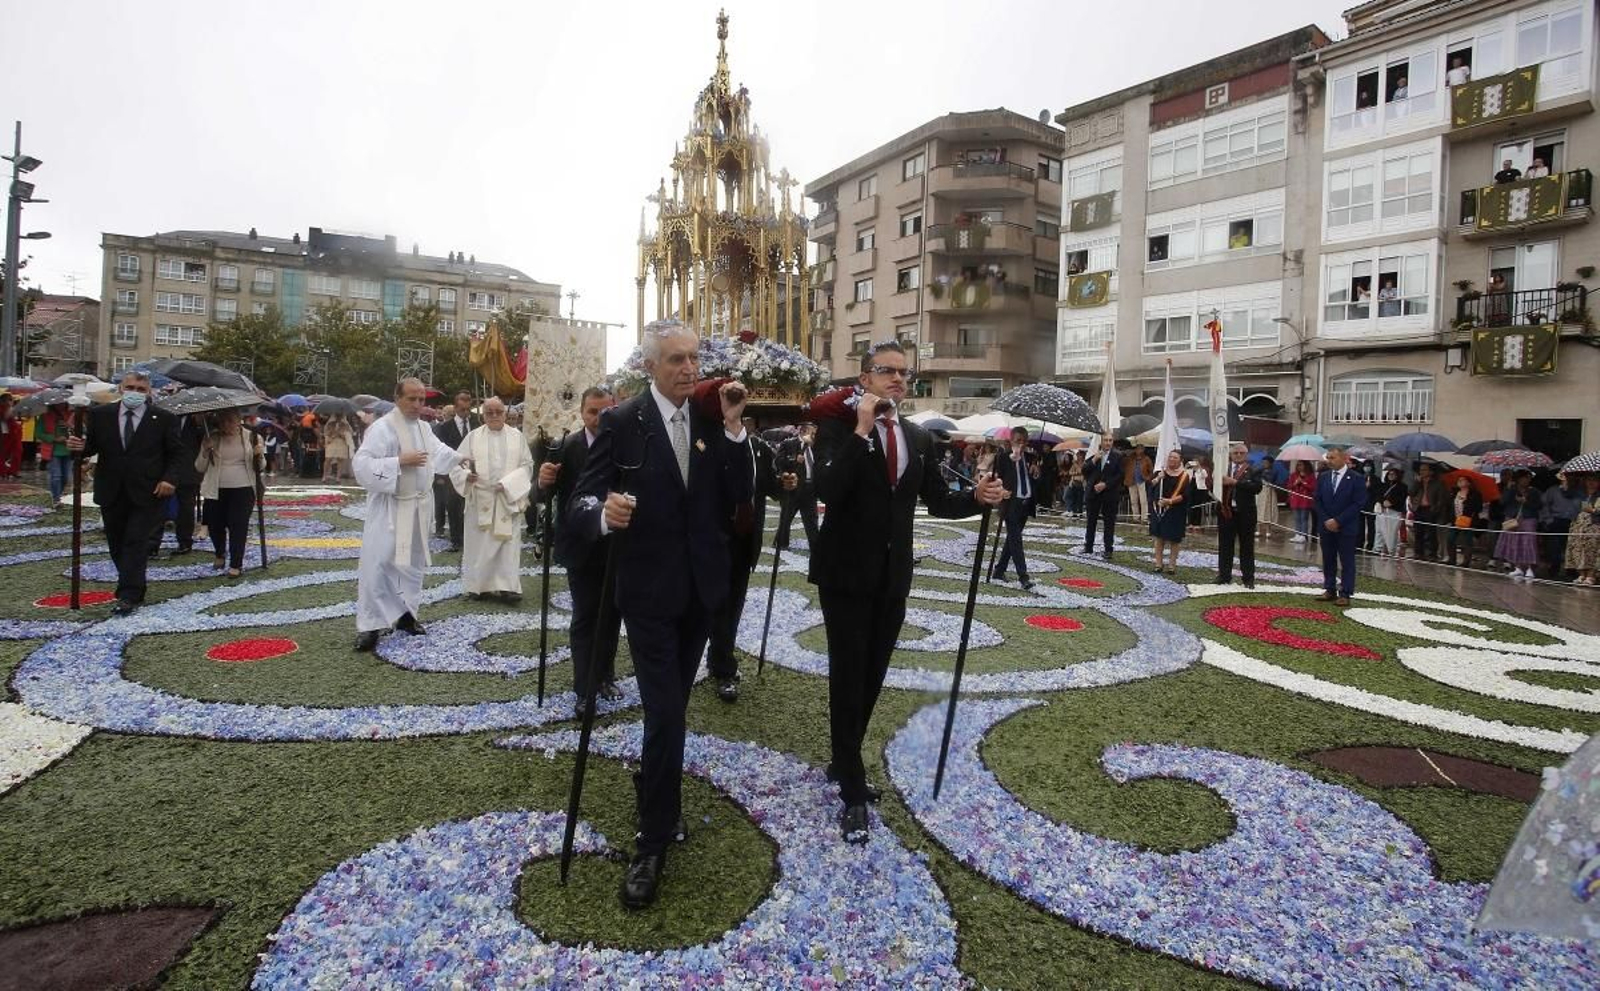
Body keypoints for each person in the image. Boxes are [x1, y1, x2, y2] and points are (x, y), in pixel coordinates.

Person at [567, 319, 753, 910]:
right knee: (666, 712)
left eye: (693, 358)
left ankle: (652, 782)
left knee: (671, 709)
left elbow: (740, 495)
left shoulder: (710, 419)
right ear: (650, 366)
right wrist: (603, 514)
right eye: (676, 359)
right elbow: (581, 499)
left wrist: (733, 429)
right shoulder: (623, 422)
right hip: (647, 595)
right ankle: (652, 840)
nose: (689, 369)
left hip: (700, 594)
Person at [810, 340, 1005, 849]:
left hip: (893, 576)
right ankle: (852, 784)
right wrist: (860, 430)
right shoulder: (837, 428)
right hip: (844, 574)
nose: (898, 379)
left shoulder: (917, 438)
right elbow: (827, 489)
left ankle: (843, 757)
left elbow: (937, 501)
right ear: (865, 378)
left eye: (904, 373)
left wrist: (976, 498)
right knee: (848, 675)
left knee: (872, 675)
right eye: (887, 371)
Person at [351, 378, 469, 652]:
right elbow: (362, 464)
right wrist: (399, 461)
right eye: (411, 399)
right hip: (391, 508)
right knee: (379, 564)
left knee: (411, 565)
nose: (417, 404)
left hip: (417, 508)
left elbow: (437, 451)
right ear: (397, 398)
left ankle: (406, 614)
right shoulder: (382, 428)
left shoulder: (424, 427)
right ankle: (370, 625)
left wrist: (458, 457)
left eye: (421, 400)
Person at [63, 371, 182, 616]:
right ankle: (132, 583)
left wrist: (169, 479)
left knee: (135, 541)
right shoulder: (101, 415)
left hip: (148, 491)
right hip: (111, 489)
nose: (134, 393)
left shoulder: (164, 418)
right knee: (117, 542)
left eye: (140, 389)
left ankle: (129, 594)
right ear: (121, 388)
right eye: (130, 387)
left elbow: (176, 454)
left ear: (148, 392)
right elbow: (91, 447)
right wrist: (78, 447)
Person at [539, 386, 623, 716]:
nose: (599, 418)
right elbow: (541, 496)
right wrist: (543, 482)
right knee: (586, 617)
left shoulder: (625, 445)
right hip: (580, 547)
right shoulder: (564, 447)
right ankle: (584, 689)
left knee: (612, 615)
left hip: (615, 545)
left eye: (606, 411)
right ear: (581, 412)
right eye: (592, 412)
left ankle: (605, 676)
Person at [708, 415, 792, 702]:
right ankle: (720, 663)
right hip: (713, 539)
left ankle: (720, 662)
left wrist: (787, 482)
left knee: (732, 606)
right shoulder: (709, 443)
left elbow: (772, 487)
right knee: (715, 606)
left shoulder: (758, 448)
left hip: (746, 539)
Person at [449, 397, 535, 602]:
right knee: (480, 546)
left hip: (507, 498)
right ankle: (479, 587)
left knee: (507, 545)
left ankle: (508, 587)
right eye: (489, 412)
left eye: (498, 412)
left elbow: (527, 466)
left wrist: (508, 484)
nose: (494, 416)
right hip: (480, 499)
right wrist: (466, 476)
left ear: (505, 413)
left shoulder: (517, 437)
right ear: (483, 415)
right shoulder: (472, 437)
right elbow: (458, 464)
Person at [195, 409, 264, 577]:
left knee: (238, 525)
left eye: (230, 420)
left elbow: (260, 467)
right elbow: (199, 467)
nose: (226, 425)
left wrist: (259, 454)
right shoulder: (212, 437)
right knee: (215, 525)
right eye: (223, 421)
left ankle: (236, 564)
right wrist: (205, 451)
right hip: (216, 488)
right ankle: (219, 553)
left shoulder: (252, 437)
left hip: (244, 487)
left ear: (239, 420)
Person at [1315, 446, 1367, 606]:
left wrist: (1338, 520)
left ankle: (1345, 592)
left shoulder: (1356, 478)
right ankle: (1329, 588)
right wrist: (1326, 520)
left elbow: (1359, 503)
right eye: (1328, 458)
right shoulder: (1323, 477)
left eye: (1333, 458)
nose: (1329, 461)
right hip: (1326, 526)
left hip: (1346, 527)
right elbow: (1317, 500)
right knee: (1328, 558)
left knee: (1347, 561)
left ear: (1344, 458)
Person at [991, 426, 1037, 588]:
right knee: (1016, 539)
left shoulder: (1030, 458)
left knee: (1012, 539)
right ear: (1011, 441)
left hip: (1025, 503)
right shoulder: (1003, 458)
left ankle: (999, 570)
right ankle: (1023, 577)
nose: (1021, 444)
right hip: (1010, 503)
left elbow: (1034, 480)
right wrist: (1001, 490)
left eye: (1024, 441)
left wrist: (1036, 473)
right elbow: (995, 479)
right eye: (1018, 441)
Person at [1215, 443, 1261, 587]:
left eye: (1242, 453)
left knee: (1247, 547)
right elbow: (1212, 486)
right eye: (1236, 453)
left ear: (1246, 454)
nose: (1239, 455)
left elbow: (1257, 487)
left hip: (1246, 513)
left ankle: (1248, 578)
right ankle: (1224, 576)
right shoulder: (1223, 469)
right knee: (1225, 546)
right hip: (1226, 512)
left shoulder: (1253, 469)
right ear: (1231, 455)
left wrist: (1235, 482)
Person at [434, 392, 474, 552]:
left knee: (471, 505)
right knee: (453, 506)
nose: (466, 412)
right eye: (462, 409)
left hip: (472, 471)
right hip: (451, 473)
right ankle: (456, 541)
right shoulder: (444, 428)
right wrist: (440, 476)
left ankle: (470, 538)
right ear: (456, 408)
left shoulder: (477, 424)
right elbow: (439, 452)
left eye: (468, 409)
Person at [774, 423, 820, 548]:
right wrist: (794, 460)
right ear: (803, 432)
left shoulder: (816, 446)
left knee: (812, 520)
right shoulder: (788, 443)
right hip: (792, 488)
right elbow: (778, 461)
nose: (814, 436)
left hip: (810, 489)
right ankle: (781, 543)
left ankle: (815, 546)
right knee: (786, 518)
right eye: (812, 433)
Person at [1080, 433, 1123, 560]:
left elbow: (1120, 475)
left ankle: (1108, 549)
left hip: (1110, 494)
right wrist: (1094, 460)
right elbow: (1084, 471)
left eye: (1110, 440)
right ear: (1101, 441)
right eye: (1106, 440)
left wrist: (1105, 484)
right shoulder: (1094, 453)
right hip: (1093, 494)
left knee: (1109, 523)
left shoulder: (1118, 456)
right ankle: (1088, 546)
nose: (1108, 443)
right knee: (1091, 521)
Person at [1495, 470, 1542, 579]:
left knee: (1529, 542)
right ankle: (1518, 567)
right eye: (1525, 477)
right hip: (1513, 518)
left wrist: (1526, 502)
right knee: (1514, 541)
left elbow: (1539, 505)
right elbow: (1502, 502)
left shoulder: (1534, 491)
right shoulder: (1512, 489)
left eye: (1529, 478)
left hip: (1528, 518)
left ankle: (1530, 567)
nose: (1527, 480)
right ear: (1519, 479)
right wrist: (1508, 489)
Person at [1148, 450, 1189, 574]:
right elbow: (1150, 486)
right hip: (1159, 510)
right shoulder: (1160, 472)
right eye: (1170, 457)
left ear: (1180, 460)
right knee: (1159, 538)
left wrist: (1170, 501)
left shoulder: (1185, 476)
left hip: (1175, 511)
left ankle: (1172, 565)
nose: (1172, 459)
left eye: (1175, 457)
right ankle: (1158, 564)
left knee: (1174, 539)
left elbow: (1185, 495)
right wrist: (1158, 479)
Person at [1542, 473, 1582, 581]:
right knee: (1555, 547)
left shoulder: (1579, 491)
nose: (1569, 479)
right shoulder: (1553, 490)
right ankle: (1554, 570)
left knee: (1572, 547)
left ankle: (1571, 571)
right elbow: (1544, 504)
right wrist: (1548, 520)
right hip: (1556, 521)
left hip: (1574, 521)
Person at [37, 401, 77, 504]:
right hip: (52, 451)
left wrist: (69, 426)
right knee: (56, 476)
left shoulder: (71, 415)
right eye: (58, 403)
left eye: (63, 403)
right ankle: (56, 498)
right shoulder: (45, 416)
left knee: (66, 477)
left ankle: (59, 494)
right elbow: (39, 433)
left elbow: (80, 431)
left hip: (68, 450)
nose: (61, 405)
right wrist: (54, 438)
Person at [1563, 474, 1600, 585]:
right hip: (1578, 524)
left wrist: (1593, 511)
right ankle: (1581, 575)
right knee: (1577, 549)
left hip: (1594, 525)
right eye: (1589, 480)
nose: (1591, 483)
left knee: (1593, 550)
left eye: (1595, 480)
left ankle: (1591, 576)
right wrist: (1567, 479)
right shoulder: (1579, 493)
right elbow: (1566, 493)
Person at [1409, 462, 1447, 561]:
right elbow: (1411, 492)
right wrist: (1417, 483)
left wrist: (1435, 509)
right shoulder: (1418, 482)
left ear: (1431, 472)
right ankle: (1418, 553)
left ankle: (1431, 553)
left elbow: (1441, 499)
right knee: (1418, 532)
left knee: (1431, 533)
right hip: (1419, 509)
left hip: (1430, 509)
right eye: (1420, 470)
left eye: (1424, 470)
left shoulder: (1437, 483)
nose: (1422, 472)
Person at [1446, 475, 1484, 569]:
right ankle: (1452, 559)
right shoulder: (1454, 492)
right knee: (1450, 538)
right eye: (1459, 480)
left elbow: (1479, 508)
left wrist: (1467, 501)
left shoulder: (1475, 494)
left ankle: (1466, 561)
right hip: (1455, 520)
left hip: (1468, 521)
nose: (1460, 481)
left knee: (1467, 541)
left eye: (1462, 480)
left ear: (1468, 483)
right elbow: (1450, 506)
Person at [1372, 467, 1407, 557]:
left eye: (1393, 474)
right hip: (1382, 510)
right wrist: (1382, 501)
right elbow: (1378, 495)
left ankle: (1391, 550)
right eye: (1389, 474)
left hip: (1394, 511)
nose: (1391, 476)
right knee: (1379, 530)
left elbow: (1401, 498)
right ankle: (1377, 548)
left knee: (1392, 532)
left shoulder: (1402, 486)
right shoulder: (1383, 485)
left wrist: (1391, 503)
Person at [1288, 460, 1316, 543]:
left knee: (1304, 518)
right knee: (1297, 518)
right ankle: (1297, 534)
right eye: (1298, 465)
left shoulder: (1311, 476)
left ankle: (1303, 535)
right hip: (1296, 499)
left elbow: (1313, 487)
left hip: (1305, 500)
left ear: (1306, 466)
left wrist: (1303, 483)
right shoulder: (1294, 475)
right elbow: (1289, 486)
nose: (1299, 467)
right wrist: (1295, 483)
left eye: (1301, 465)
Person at [322, 415, 354, 483]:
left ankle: (338, 477)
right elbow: (326, 433)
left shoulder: (345, 425)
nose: (338, 417)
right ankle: (325, 476)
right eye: (337, 416)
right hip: (332, 442)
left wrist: (341, 433)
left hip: (341, 443)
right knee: (328, 459)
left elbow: (349, 435)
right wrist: (333, 432)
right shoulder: (330, 424)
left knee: (340, 460)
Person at [1125, 445, 1152, 522]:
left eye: (1140, 449)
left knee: (1143, 500)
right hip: (1131, 481)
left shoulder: (1146, 459)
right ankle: (1135, 517)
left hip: (1141, 481)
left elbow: (1151, 470)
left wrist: (1148, 478)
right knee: (1133, 500)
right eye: (1137, 449)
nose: (1139, 451)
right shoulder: (1130, 458)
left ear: (1143, 450)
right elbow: (1125, 466)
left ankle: (1144, 518)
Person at [0, 394, 19, 478]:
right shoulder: (2, 408)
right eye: (10, 400)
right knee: (3, 453)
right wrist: (10, 408)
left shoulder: (12, 408)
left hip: (15, 433)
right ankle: (2, 472)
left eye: (12, 400)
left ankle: (13, 471)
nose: (11, 401)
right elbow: (5, 417)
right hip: (4, 434)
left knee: (18, 452)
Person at [1064, 449, 1085, 517]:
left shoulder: (1084, 463)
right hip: (1073, 482)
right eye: (1077, 455)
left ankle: (1079, 512)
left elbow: (1081, 471)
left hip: (1081, 483)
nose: (1078, 456)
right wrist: (1075, 473)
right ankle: (1071, 510)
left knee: (1079, 499)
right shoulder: (1075, 463)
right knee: (1068, 496)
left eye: (1079, 455)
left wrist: (1075, 466)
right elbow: (1070, 472)